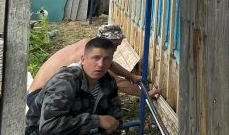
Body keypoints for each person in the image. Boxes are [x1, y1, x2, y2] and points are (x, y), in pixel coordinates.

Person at [28, 24, 160, 111]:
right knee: (103, 85)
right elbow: (117, 82)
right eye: (115, 46)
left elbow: (111, 64)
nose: (115, 49)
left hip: (46, 92)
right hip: (39, 98)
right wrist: (145, 94)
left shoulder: (91, 45)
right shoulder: (89, 55)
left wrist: (132, 76)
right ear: (107, 42)